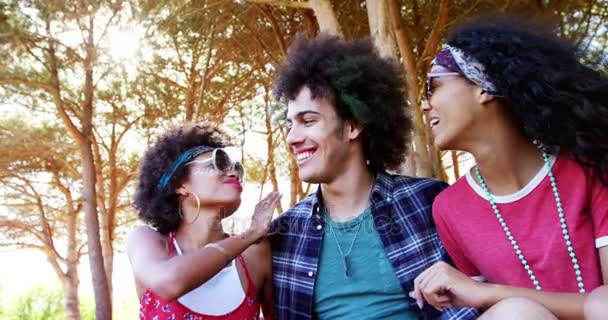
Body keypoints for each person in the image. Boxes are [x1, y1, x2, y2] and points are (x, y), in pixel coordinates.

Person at [267, 33, 479, 320]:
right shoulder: (285, 233)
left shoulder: (430, 203)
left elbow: (479, 293)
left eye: (308, 121)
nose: (292, 138)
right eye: (290, 125)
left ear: (353, 126)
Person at [413, 14, 608, 319]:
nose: (424, 105)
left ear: (483, 87)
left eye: (432, 87)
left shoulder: (589, 168)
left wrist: (490, 292)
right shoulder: (449, 209)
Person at [127, 124, 279, 320]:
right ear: (179, 184)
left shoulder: (254, 253)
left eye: (235, 168)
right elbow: (169, 282)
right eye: (218, 162)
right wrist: (250, 234)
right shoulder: (147, 240)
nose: (233, 173)